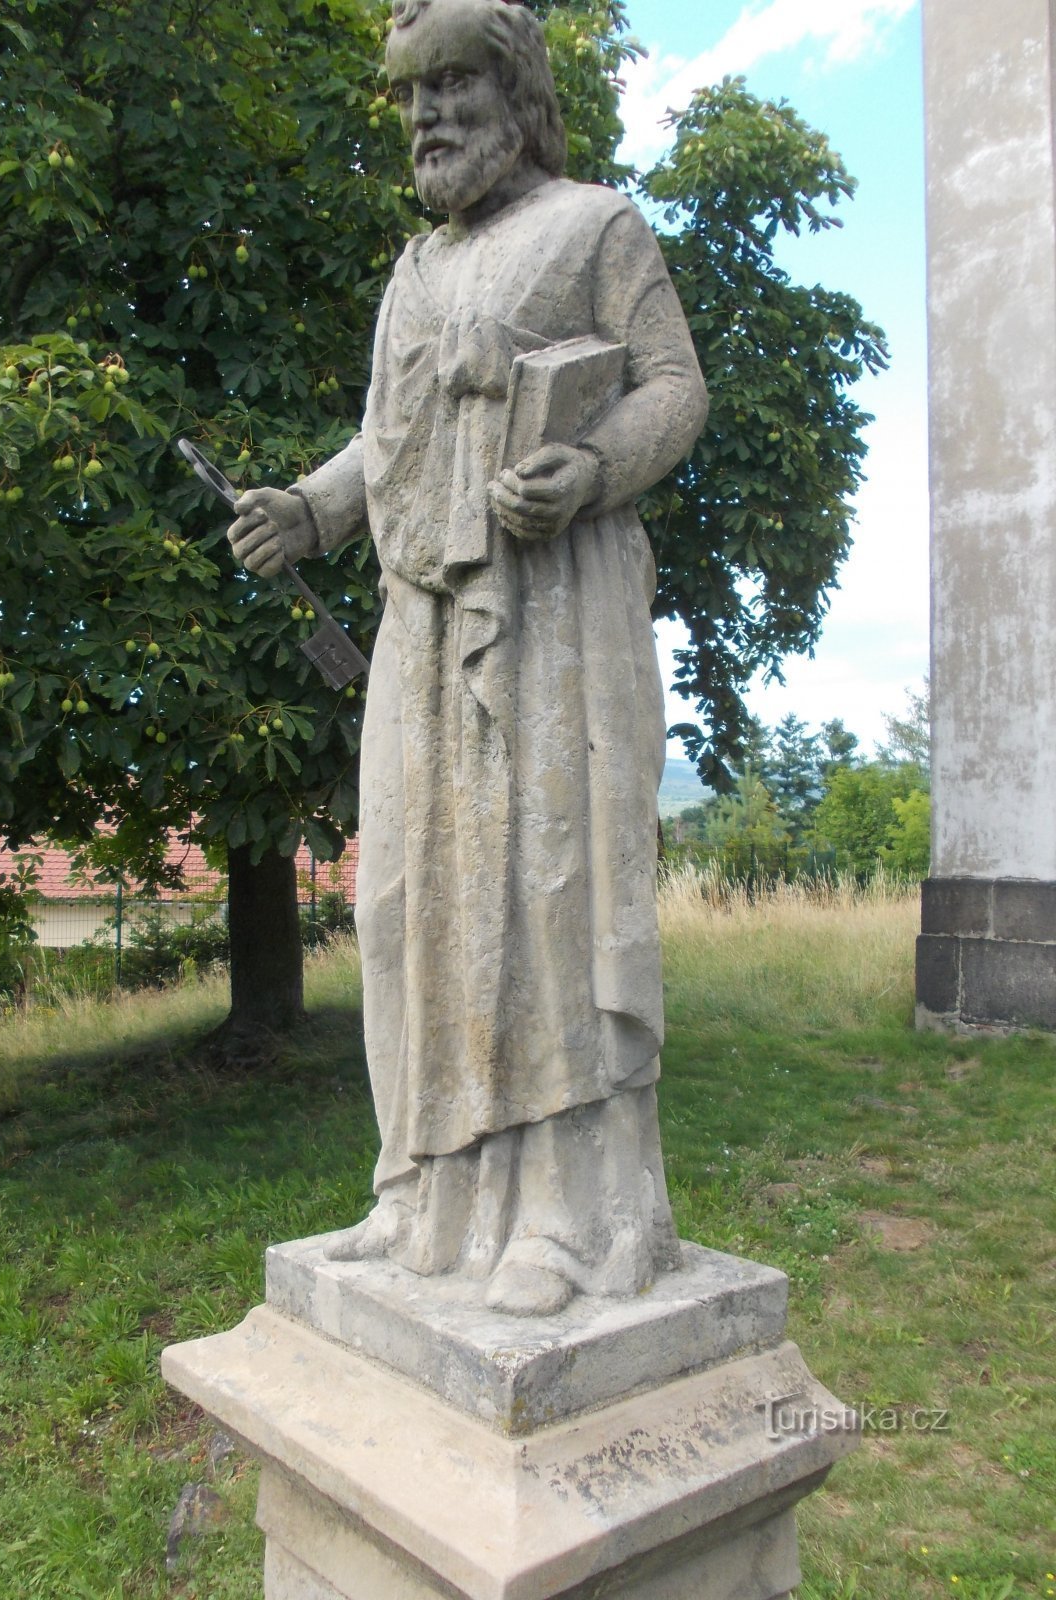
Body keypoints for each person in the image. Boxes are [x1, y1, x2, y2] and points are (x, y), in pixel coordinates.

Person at [228, 0, 707, 1316]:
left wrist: (594, 466)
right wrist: (313, 509)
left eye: (454, 84)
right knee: (414, 905)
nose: (429, 113)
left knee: (544, 898)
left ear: (515, 90)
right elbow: (386, 438)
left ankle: (562, 1217)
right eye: (411, 94)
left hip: (552, 615)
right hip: (424, 623)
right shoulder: (414, 270)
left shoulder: (596, 226)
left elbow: (676, 386)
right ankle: (424, 1195)